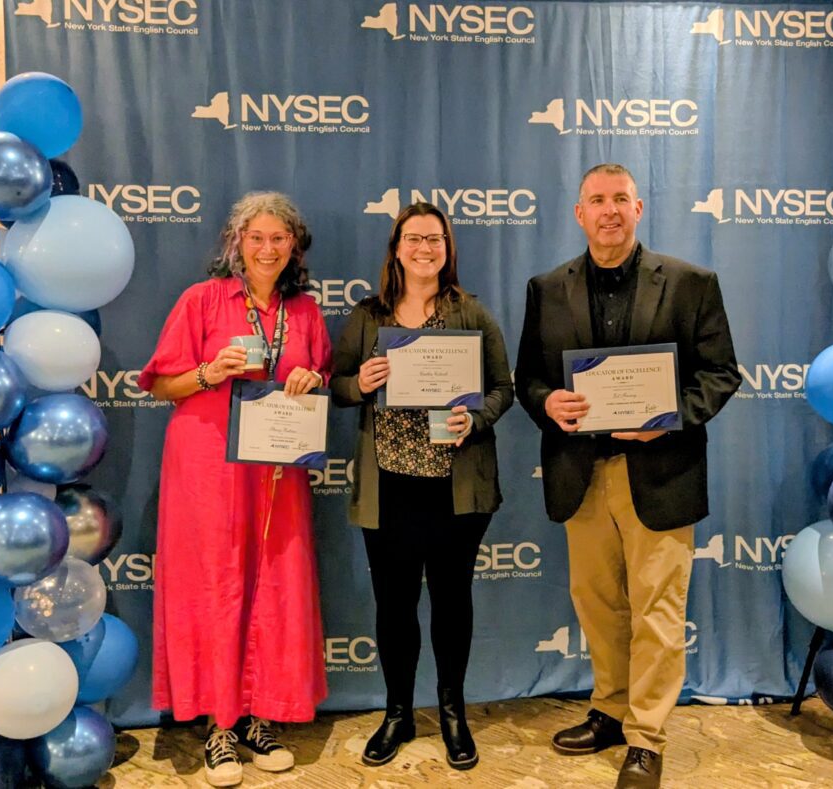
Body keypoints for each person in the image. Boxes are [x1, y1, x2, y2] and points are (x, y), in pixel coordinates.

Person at [515, 164, 740, 789]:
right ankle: (610, 711)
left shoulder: (692, 283)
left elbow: (721, 374)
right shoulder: (545, 287)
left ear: (639, 208)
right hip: (581, 474)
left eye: (620, 199)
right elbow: (528, 377)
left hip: (661, 472)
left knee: (658, 613)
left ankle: (646, 737)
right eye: (596, 200)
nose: (609, 210)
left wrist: (669, 419)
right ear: (579, 213)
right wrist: (547, 402)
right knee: (598, 605)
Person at [139, 192, 331, 787]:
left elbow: (322, 377)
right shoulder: (201, 301)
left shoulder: (304, 311)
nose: (267, 248)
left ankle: (256, 715)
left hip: (277, 469)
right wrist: (208, 372)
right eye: (256, 237)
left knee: (272, 586)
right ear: (236, 244)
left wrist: (312, 376)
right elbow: (160, 386)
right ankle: (218, 726)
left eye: (279, 238)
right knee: (214, 584)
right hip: (206, 467)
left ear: (293, 246)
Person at [331, 202, 513, 770]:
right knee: (394, 606)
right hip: (389, 487)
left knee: (453, 604)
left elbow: (502, 388)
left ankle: (453, 710)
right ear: (397, 248)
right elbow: (337, 386)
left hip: (454, 491)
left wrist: (475, 418)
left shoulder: (472, 313)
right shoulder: (368, 315)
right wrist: (359, 382)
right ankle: (398, 712)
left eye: (434, 240)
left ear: (447, 248)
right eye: (414, 239)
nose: (424, 249)